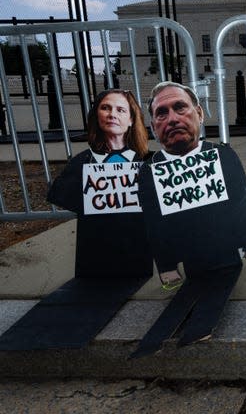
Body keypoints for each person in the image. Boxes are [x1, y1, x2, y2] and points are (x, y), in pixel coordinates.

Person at [0, 89, 153, 350]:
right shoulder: (83, 163)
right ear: (96, 116)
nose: (112, 114)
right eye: (105, 108)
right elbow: (60, 194)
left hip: (135, 254)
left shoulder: (148, 164)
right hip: (94, 256)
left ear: (131, 120)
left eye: (120, 110)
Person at [131, 81, 246, 357]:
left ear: (199, 113)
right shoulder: (149, 172)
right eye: (162, 113)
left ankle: (198, 328)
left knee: (218, 286)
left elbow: (241, 202)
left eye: (180, 107)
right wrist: (166, 265)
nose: (172, 119)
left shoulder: (222, 155)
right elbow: (154, 225)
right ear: (153, 126)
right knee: (191, 290)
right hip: (189, 257)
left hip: (226, 253)